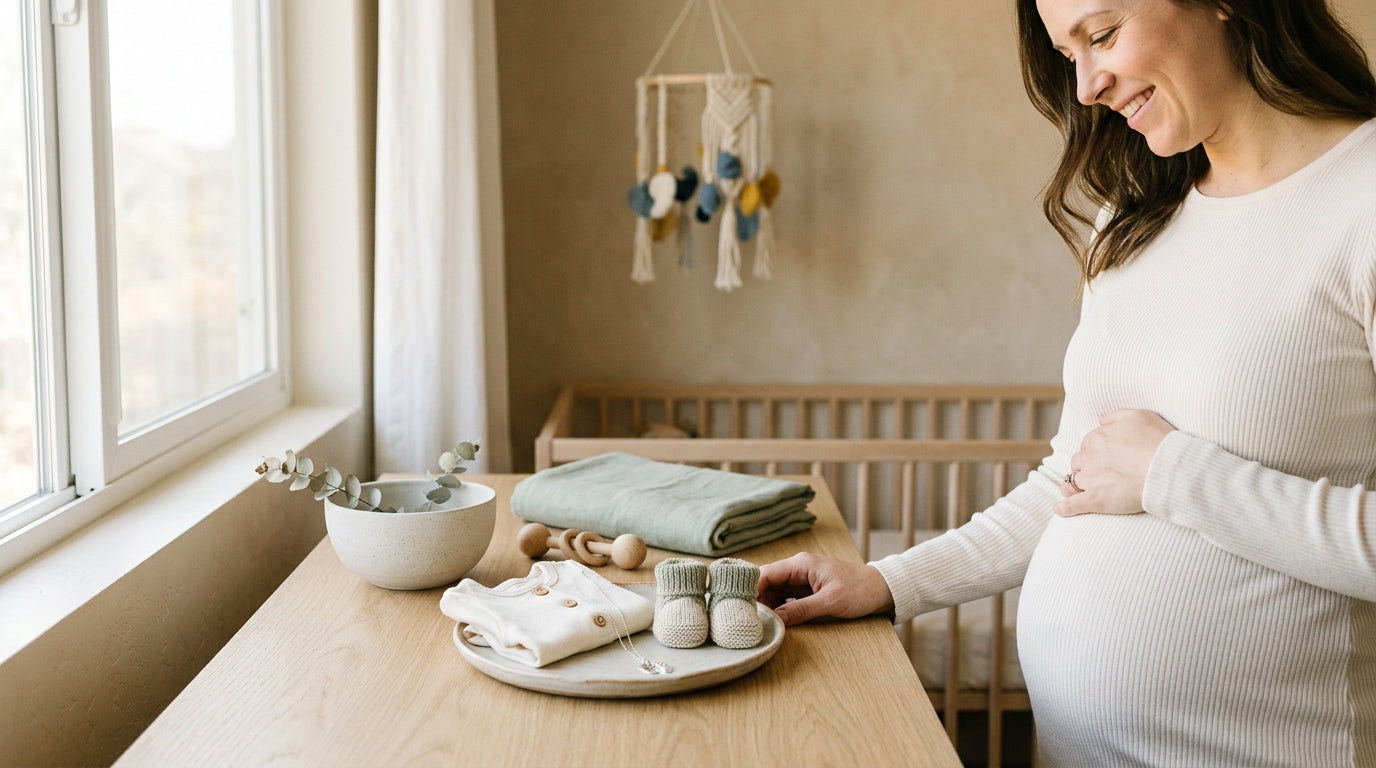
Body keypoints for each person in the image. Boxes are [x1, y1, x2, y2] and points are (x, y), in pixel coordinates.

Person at [756, 0, 1376, 764]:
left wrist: (1175, 474)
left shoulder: (1363, 199)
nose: (1085, 86)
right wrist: (888, 583)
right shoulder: (1135, 213)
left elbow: (1147, 472)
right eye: (1067, 53)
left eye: (1104, 35)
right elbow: (1075, 480)